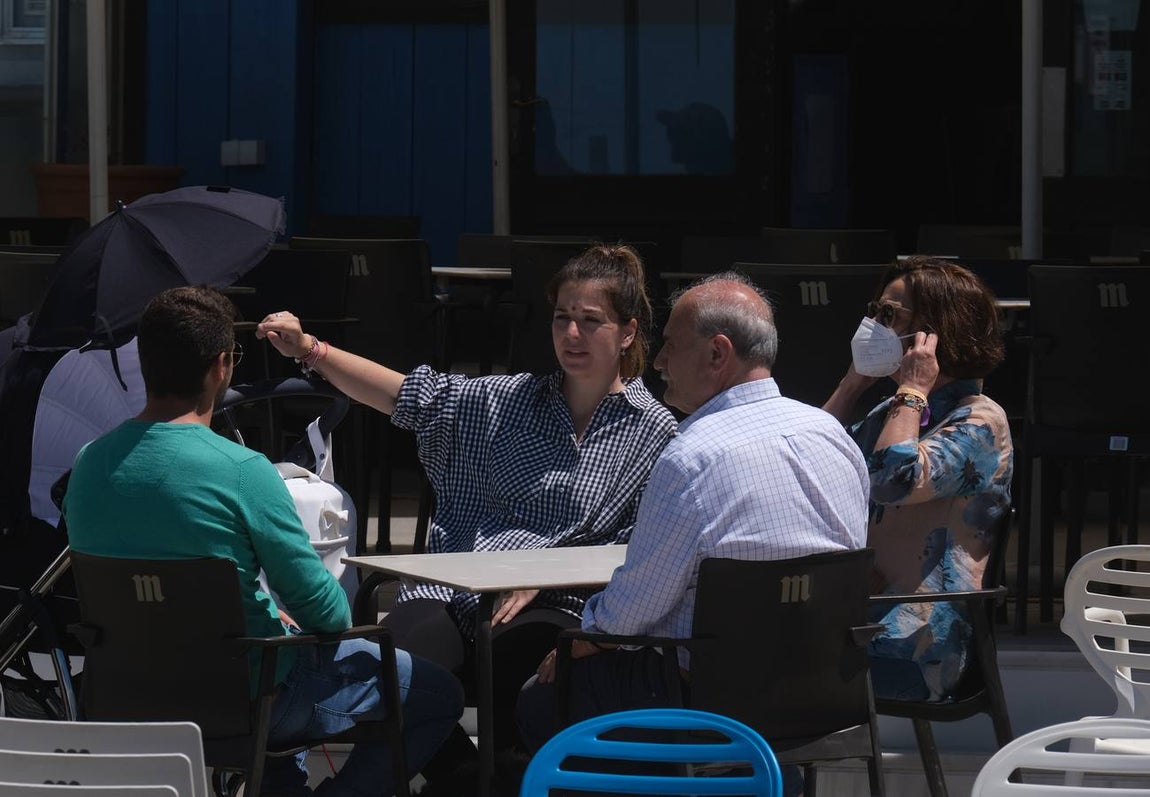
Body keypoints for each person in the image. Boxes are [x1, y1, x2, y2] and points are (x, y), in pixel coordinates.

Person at [256, 244, 678, 779]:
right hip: (451, 588)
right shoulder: (505, 399)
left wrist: (544, 575)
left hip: (554, 602)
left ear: (628, 332)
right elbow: (402, 395)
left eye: (590, 321)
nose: (571, 334)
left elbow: (645, 550)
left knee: (517, 682)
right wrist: (310, 349)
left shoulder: (655, 432)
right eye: (561, 318)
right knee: (389, 674)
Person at [63, 286, 464, 797]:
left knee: (280, 688)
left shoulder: (89, 462)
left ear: (146, 363)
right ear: (222, 367)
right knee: (437, 694)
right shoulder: (243, 471)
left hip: (129, 694)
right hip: (249, 694)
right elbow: (329, 615)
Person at [515, 272, 870, 760]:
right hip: (824, 697)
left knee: (540, 700)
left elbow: (633, 613)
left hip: (705, 703)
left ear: (717, 354)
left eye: (669, 345)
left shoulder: (693, 456)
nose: (657, 361)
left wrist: (579, 643)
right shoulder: (834, 437)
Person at [822, 255, 1013, 702]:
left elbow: (894, 479)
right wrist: (852, 385)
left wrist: (911, 389)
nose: (873, 325)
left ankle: (765, 774)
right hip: (862, 625)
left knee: (755, 665)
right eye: (873, 311)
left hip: (920, 650)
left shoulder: (980, 423)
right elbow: (810, 464)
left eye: (888, 315)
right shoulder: (893, 414)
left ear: (936, 332)